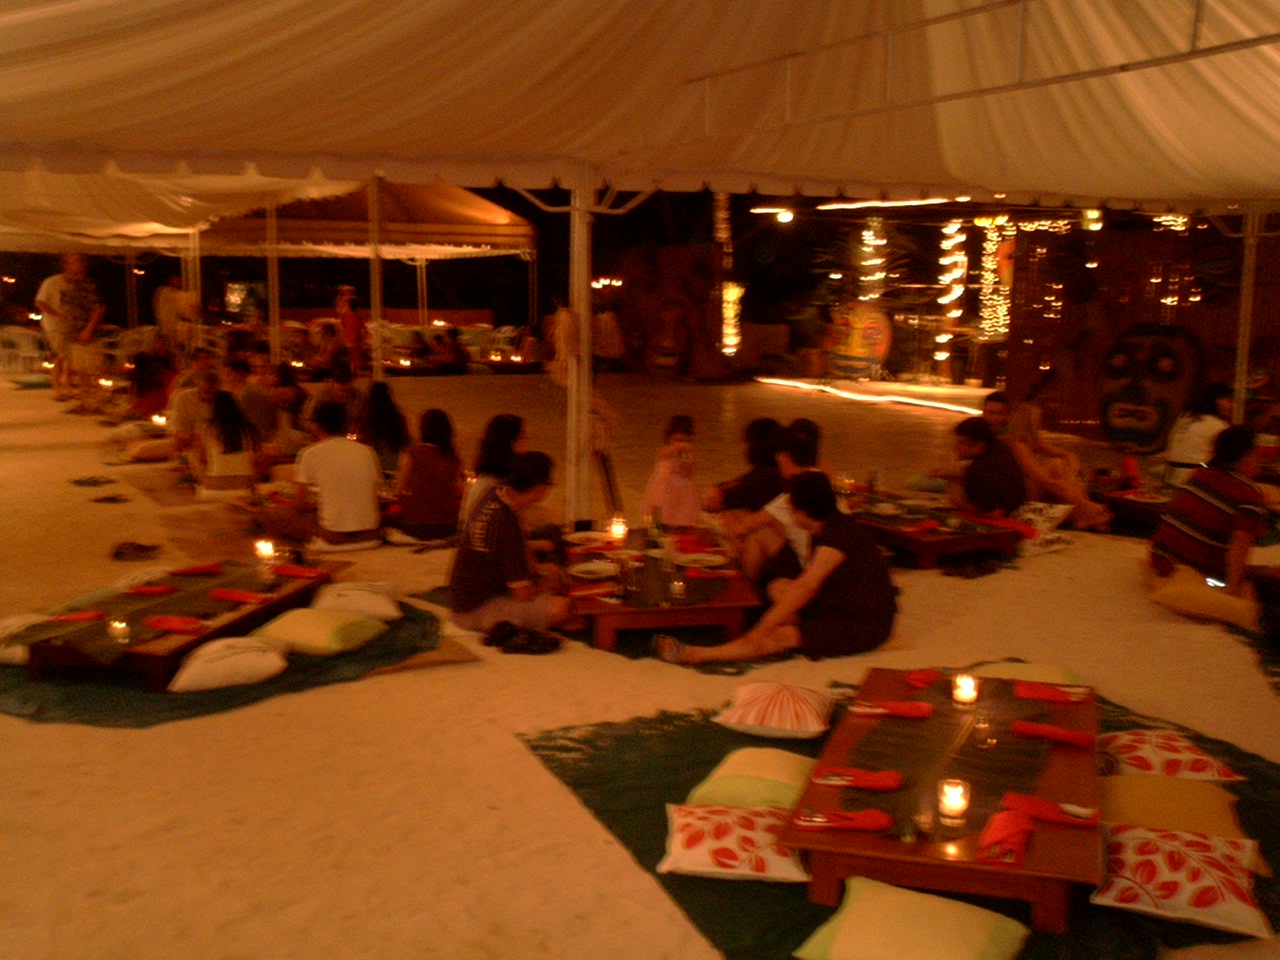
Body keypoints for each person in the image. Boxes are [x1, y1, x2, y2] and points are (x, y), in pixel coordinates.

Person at [653, 471, 896, 664]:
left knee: (781, 635)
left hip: (863, 622)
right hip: (836, 603)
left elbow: (808, 585)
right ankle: (788, 629)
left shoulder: (838, 536)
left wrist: (766, 625)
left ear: (802, 510)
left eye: (791, 507)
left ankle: (697, 655)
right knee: (779, 587)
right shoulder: (827, 527)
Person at [1148, 425, 1269, 632]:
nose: (1261, 460)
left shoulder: (1200, 475)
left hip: (1161, 557)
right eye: (1258, 454)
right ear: (1246, 457)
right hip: (1197, 569)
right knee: (1267, 579)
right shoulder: (1249, 494)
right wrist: (1231, 592)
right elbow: (1239, 547)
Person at [449, 451, 580, 633]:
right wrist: (544, 585)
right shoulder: (505, 523)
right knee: (562, 608)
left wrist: (541, 572)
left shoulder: (496, 494)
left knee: (553, 572)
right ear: (540, 487)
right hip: (478, 608)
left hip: (479, 592)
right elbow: (523, 594)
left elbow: (519, 549)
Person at [260, 400, 382, 547]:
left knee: (272, 514)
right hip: (371, 532)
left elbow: (300, 502)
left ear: (316, 426)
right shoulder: (367, 452)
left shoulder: (311, 453)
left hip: (332, 535)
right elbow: (376, 494)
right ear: (346, 425)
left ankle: (284, 554)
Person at [733, 418, 824, 587]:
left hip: (810, 571)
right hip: (822, 562)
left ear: (786, 456)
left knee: (757, 534)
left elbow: (747, 525)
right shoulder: (823, 482)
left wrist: (736, 535)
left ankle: (746, 590)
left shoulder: (796, 492)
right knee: (768, 527)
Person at [1005, 403, 1111, 531]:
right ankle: (1087, 512)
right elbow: (1042, 479)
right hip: (1021, 495)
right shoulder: (1017, 444)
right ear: (1028, 423)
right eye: (1037, 420)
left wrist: (1071, 473)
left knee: (1060, 465)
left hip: (1038, 489)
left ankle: (1085, 515)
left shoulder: (1031, 442)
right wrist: (1085, 503)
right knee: (1056, 465)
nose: (1040, 424)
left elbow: (1067, 455)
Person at [34, 253, 107, 401]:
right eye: (74, 263)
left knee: (71, 357)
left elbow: (96, 307)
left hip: (72, 326)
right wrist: (57, 314)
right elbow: (39, 302)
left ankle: (68, 386)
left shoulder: (82, 284)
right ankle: (58, 389)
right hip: (55, 326)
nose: (79, 268)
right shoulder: (52, 282)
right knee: (61, 356)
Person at [389, 408, 464, 542]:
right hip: (448, 525)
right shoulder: (454, 458)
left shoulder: (413, 453)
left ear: (422, 429)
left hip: (418, 525)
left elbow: (400, 489)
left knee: (388, 518)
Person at [704, 417, 785, 515]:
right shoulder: (779, 471)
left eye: (747, 442)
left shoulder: (761, 479)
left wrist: (718, 493)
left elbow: (725, 500)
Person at [950, 416, 1027, 517]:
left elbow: (995, 513)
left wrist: (960, 503)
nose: (956, 447)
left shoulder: (978, 470)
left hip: (1008, 517)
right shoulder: (1000, 446)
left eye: (961, 443)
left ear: (979, 446)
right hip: (1019, 504)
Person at [1163, 382, 1233, 486]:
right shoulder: (1219, 427)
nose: (1232, 406)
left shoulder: (1183, 419)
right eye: (1229, 400)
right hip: (1195, 481)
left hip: (1170, 477)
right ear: (1217, 401)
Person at [462, 413, 527, 522]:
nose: (526, 441)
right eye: (522, 436)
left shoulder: (487, 477)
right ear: (511, 442)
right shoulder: (496, 485)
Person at [194, 390, 259, 498]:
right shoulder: (249, 429)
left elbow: (201, 460)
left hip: (213, 489)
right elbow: (256, 460)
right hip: (244, 489)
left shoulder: (205, 428)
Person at [642, 414, 701, 527]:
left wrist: (688, 458)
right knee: (663, 515)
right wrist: (676, 448)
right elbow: (662, 456)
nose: (681, 443)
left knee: (684, 517)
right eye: (677, 440)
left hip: (683, 490)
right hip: (665, 490)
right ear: (669, 438)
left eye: (685, 440)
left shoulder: (688, 453)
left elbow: (690, 469)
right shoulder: (666, 450)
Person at [354, 380, 410, 475]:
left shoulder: (366, 418)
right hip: (393, 464)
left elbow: (361, 442)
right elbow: (405, 442)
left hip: (371, 465)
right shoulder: (397, 417)